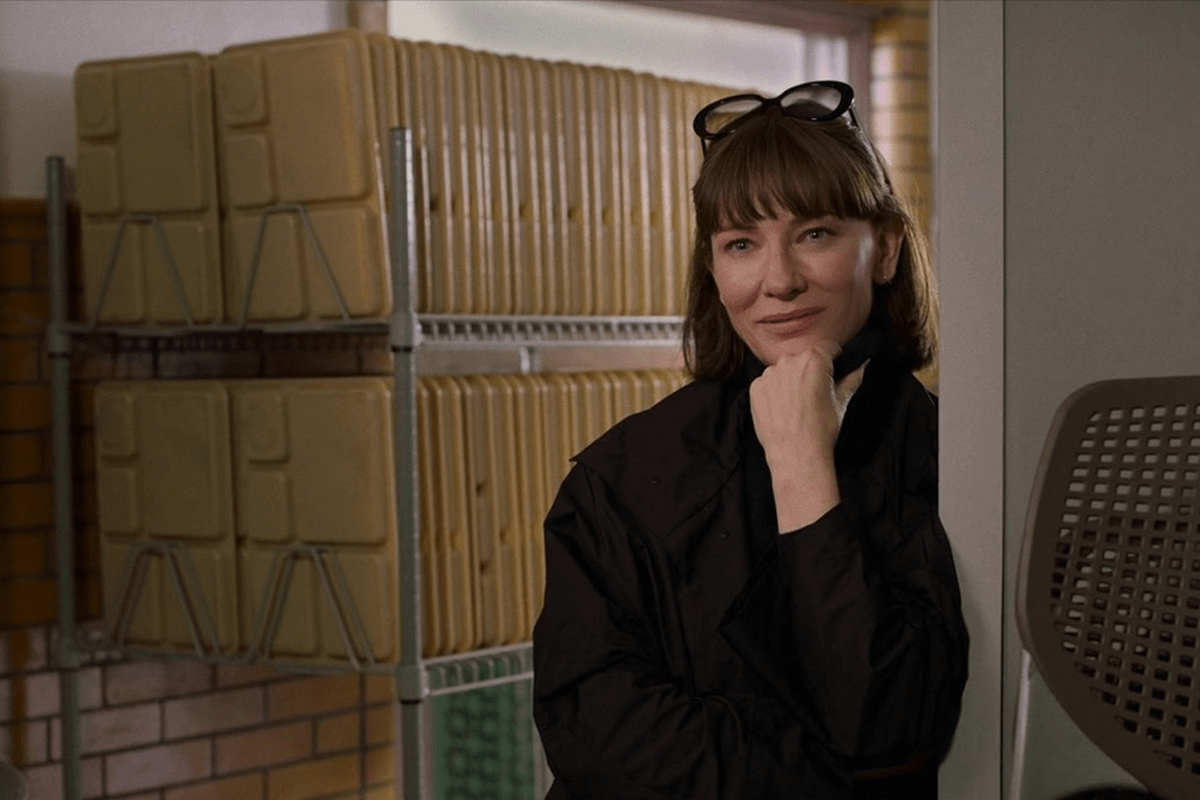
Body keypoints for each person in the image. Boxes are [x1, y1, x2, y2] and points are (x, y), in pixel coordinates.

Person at [532, 81, 969, 800]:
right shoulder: (621, 474)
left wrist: (802, 467)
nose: (780, 281)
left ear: (886, 249)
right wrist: (824, 774)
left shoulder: (960, 461)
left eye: (815, 234)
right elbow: (589, 727)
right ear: (714, 268)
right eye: (742, 244)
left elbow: (888, 723)